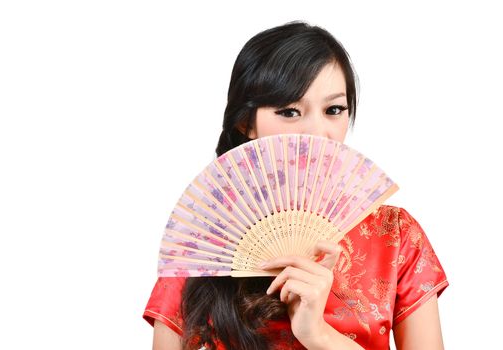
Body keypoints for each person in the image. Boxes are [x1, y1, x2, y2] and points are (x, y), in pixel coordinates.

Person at [143, 21, 448, 350]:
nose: (318, 133)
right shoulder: (200, 243)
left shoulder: (395, 234)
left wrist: (318, 335)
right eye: (289, 111)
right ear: (247, 124)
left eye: (334, 109)